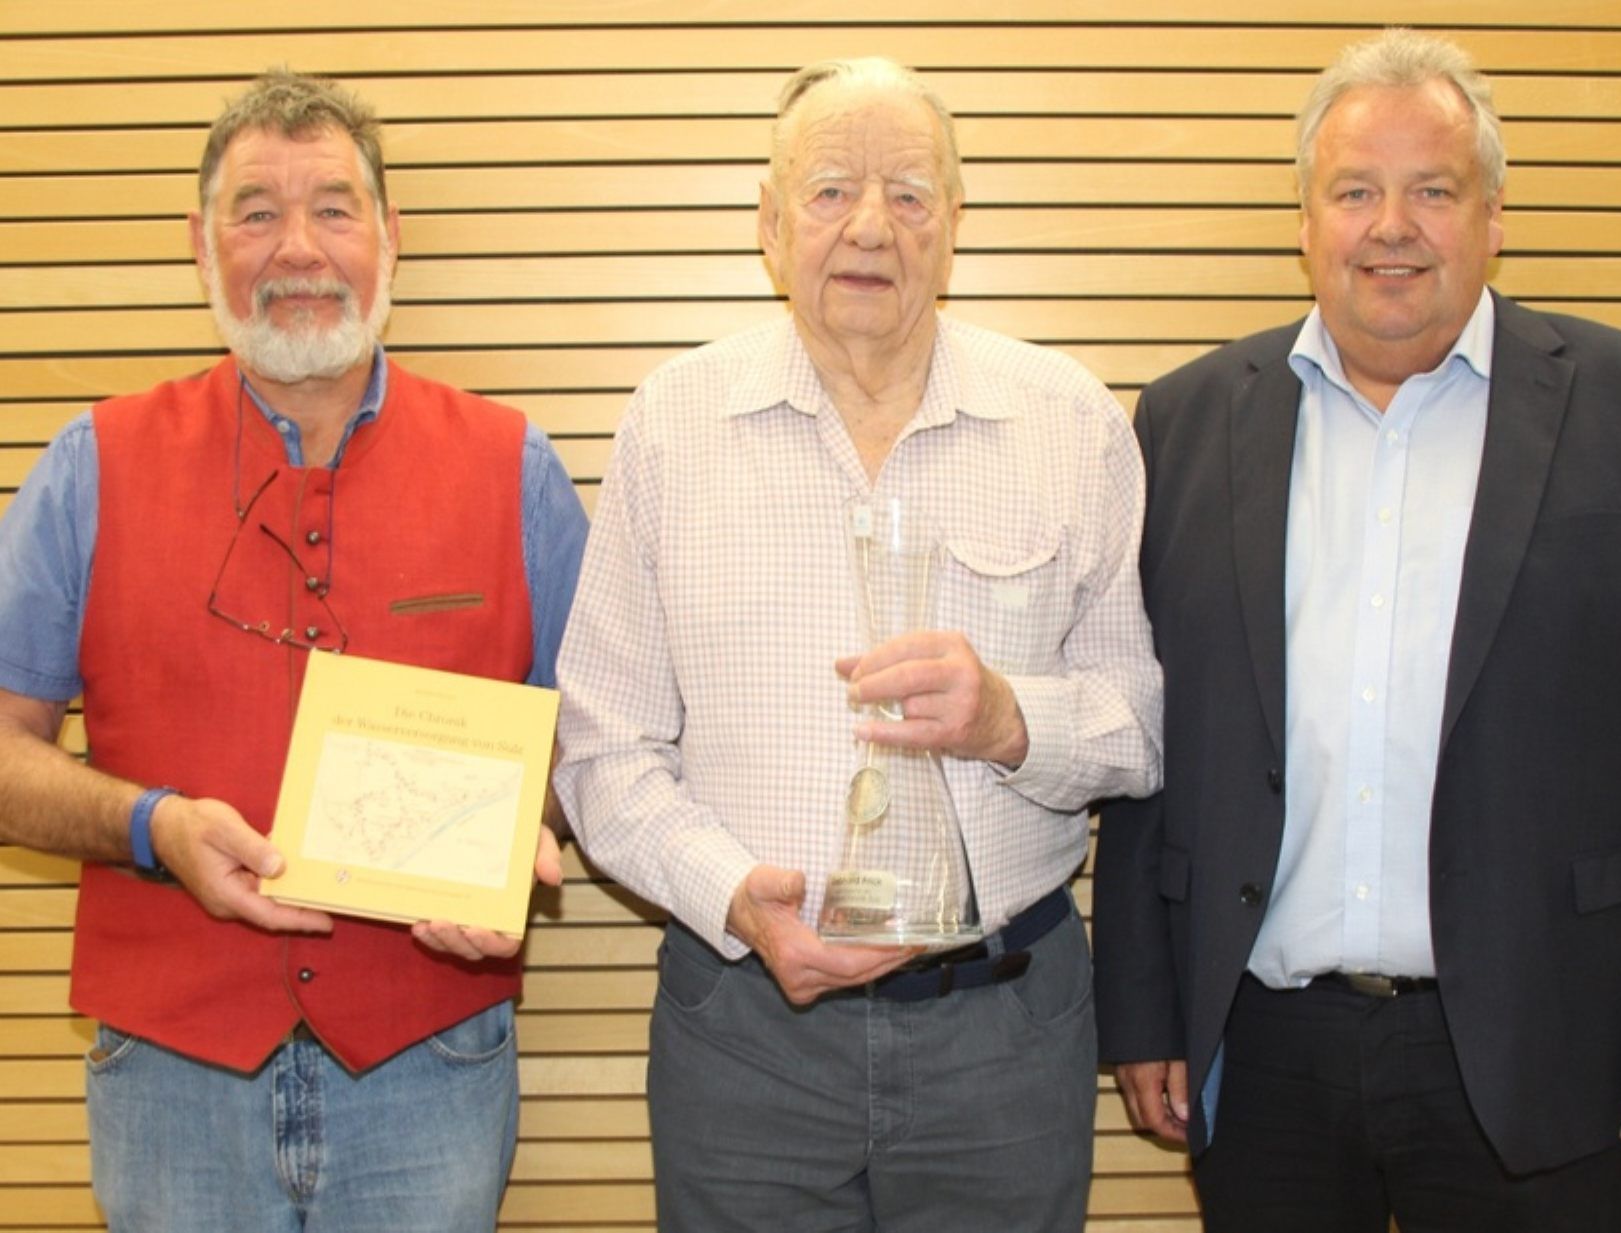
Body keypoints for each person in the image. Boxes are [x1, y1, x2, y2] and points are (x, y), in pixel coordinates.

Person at [555, 56, 1162, 1233]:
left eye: (911, 193)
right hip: (744, 1035)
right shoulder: (673, 427)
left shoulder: (1071, 424)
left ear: (955, 225)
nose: (872, 226)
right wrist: (735, 900)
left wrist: (1009, 720)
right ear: (770, 227)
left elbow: (1138, 723)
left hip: (1006, 1028)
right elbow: (601, 751)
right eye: (830, 191)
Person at [0, 71, 587, 1232]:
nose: (297, 247)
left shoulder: (516, 467)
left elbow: (603, 742)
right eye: (256, 211)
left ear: (390, 238)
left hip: (432, 1069)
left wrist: (534, 833)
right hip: (170, 1074)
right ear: (201, 244)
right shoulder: (88, 467)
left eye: (333, 206)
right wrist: (148, 826)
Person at [1092, 27, 1621, 1233]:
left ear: (1493, 218)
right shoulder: (1186, 424)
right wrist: (1143, 1011)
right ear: (1308, 222)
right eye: (1356, 191)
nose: (1392, 225)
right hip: (1265, 1047)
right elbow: (1147, 736)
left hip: (1550, 1041)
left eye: (1432, 190)